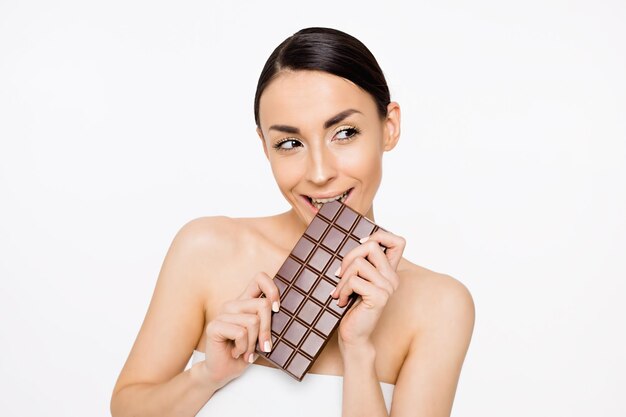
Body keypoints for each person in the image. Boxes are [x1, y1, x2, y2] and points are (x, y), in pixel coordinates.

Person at [110, 26, 475, 417]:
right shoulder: (207, 248)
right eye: (290, 143)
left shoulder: (440, 305)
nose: (319, 173)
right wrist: (207, 376)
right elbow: (127, 408)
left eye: (344, 133)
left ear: (390, 127)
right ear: (265, 146)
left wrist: (357, 351)